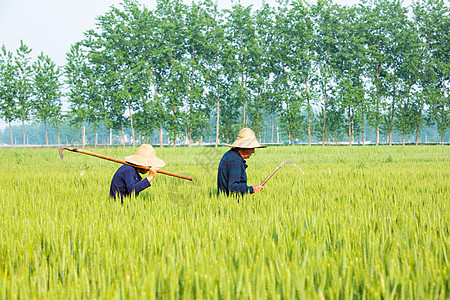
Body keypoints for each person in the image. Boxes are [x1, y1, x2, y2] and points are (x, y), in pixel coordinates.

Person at [217, 128, 267, 196]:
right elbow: (233, 189)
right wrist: (252, 189)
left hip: (226, 201)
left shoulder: (230, 155)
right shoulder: (235, 161)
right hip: (231, 203)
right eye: (252, 148)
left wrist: (246, 192)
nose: (253, 151)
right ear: (245, 147)